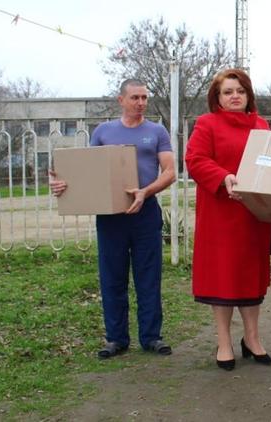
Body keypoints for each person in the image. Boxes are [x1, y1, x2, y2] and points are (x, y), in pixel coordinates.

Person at [49, 79, 176, 359]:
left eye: (144, 97)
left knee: (148, 276)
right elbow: (86, 169)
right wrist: (61, 184)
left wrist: (145, 191)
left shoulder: (156, 131)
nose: (141, 103)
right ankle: (116, 338)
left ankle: (152, 337)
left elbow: (169, 171)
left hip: (145, 212)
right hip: (110, 217)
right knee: (112, 277)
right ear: (121, 100)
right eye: (135, 98)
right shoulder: (104, 131)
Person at [184, 68, 271, 371]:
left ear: (248, 95)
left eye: (240, 91)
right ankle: (224, 343)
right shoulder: (207, 124)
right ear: (218, 98)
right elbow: (195, 160)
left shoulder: (262, 125)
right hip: (220, 214)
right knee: (222, 279)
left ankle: (252, 339)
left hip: (254, 215)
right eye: (228, 92)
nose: (235, 96)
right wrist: (223, 177)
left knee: (251, 278)